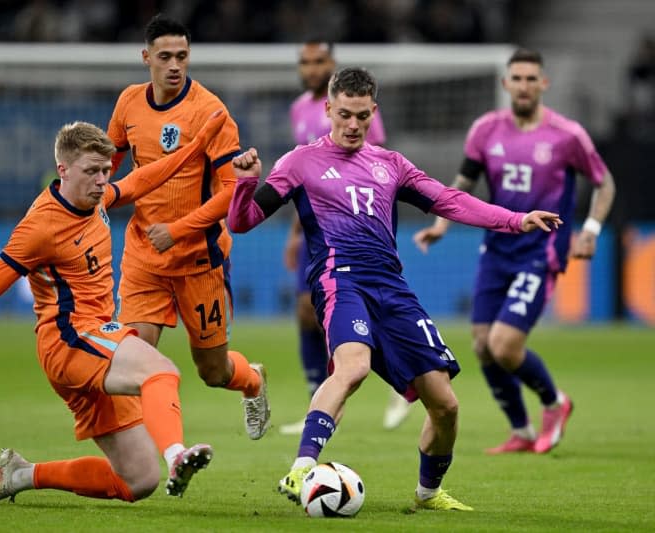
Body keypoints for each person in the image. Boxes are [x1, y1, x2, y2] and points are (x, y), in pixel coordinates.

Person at [227, 67, 562, 511]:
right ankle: (301, 468)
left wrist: (515, 220)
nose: (352, 125)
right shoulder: (300, 162)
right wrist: (246, 182)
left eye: (362, 116)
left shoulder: (391, 165)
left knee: (445, 405)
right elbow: (241, 222)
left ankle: (428, 494)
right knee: (352, 367)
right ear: (328, 109)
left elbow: (450, 200)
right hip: (340, 278)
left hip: (392, 287)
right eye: (344, 114)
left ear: (373, 112)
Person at [0, 113, 226, 503]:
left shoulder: (98, 199)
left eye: (106, 170)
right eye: (92, 171)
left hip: (92, 339)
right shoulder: (39, 228)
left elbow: (142, 180)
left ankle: (21, 474)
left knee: (138, 481)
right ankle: (178, 456)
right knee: (161, 372)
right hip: (70, 340)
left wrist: (196, 147)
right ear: (63, 170)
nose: (101, 180)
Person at [413, 48, 615, 455]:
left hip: (541, 252)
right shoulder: (485, 130)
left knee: (505, 345)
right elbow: (463, 184)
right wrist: (441, 224)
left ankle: (556, 403)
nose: (523, 86)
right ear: (505, 85)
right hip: (496, 249)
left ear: (544, 83)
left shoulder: (567, 134)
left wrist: (590, 229)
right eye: (516, 79)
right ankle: (521, 431)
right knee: (483, 345)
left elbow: (604, 182)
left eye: (530, 78)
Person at [106, 14, 269, 440]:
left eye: (182, 55)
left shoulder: (211, 112)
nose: (175, 65)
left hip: (199, 258)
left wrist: (177, 230)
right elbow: (111, 161)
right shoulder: (128, 103)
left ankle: (252, 380)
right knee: (135, 356)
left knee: (213, 372)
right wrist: (95, 192)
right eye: (165, 57)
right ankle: (155, 449)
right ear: (146, 58)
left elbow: (231, 193)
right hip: (144, 256)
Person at [280, 40, 411, 436]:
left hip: (358, 224)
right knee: (307, 311)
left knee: (358, 309)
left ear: (331, 64)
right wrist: (293, 232)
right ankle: (318, 401)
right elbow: (302, 177)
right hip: (316, 226)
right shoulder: (300, 109)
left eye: (319, 61)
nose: (311, 68)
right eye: (305, 62)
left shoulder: (357, 108)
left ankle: (401, 376)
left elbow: (377, 172)